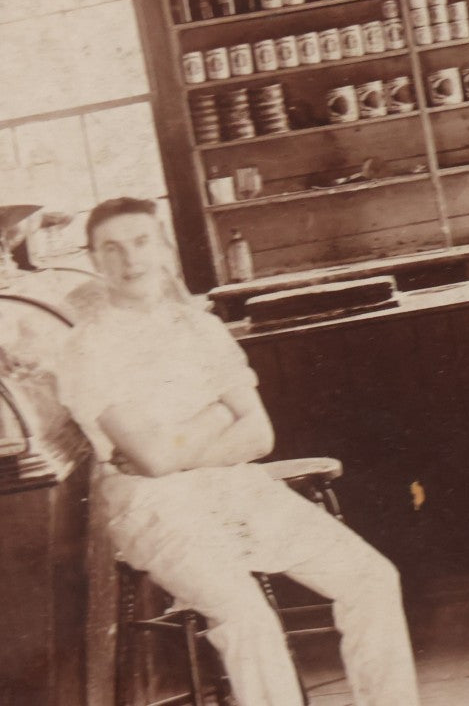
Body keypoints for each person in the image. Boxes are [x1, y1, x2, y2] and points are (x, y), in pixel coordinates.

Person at [56, 197, 420, 706]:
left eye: (141, 241)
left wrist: (179, 442)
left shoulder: (199, 329)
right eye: (111, 249)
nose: (130, 259)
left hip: (236, 491)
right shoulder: (88, 348)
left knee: (373, 579)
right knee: (247, 619)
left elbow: (259, 436)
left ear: (163, 247)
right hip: (155, 511)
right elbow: (156, 463)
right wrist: (221, 415)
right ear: (95, 261)